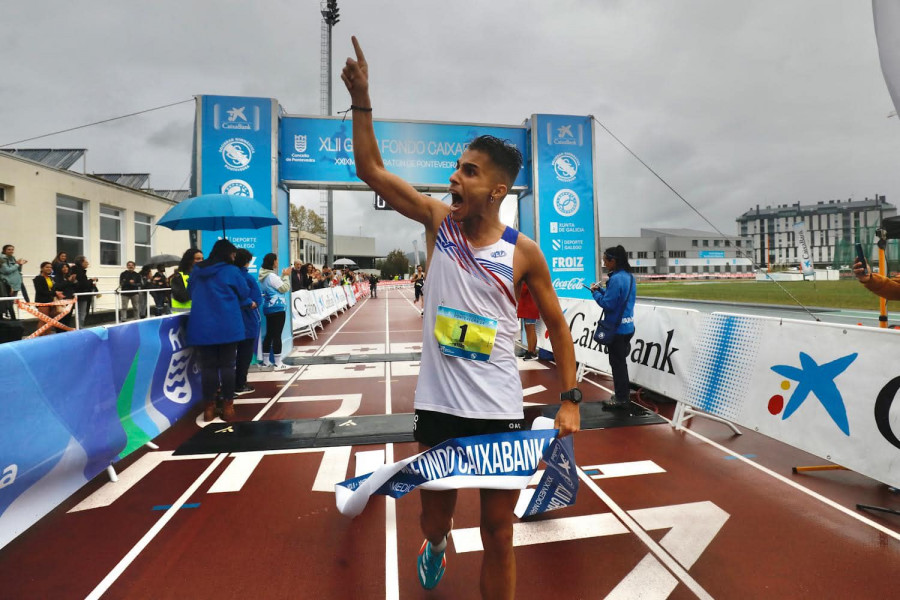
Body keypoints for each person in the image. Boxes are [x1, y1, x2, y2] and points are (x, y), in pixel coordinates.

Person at [342, 37, 580, 599]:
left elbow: (559, 326)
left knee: (499, 533)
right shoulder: (437, 223)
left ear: (498, 189)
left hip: (498, 408)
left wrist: (569, 400)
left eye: (468, 172)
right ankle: (435, 545)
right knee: (435, 520)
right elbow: (370, 169)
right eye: (455, 167)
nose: (455, 178)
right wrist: (361, 99)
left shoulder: (524, 252)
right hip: (439, 407)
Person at [187, 239, 256, 422]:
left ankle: (209, 409)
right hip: (228, 324)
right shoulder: (232, 271)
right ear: (227, 254)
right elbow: (243, 293)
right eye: (233, 254)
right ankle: (228, 407)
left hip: (202, 325)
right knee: (227, 366)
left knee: (208, 368)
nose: (234, 257)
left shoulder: (198, 270)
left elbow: (190, 292)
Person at [589, 245, 636, 410]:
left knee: (618, 365)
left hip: (616, 330)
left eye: (605, 261)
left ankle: (622, 398)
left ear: (613, 261)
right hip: (628, 327)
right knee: (621, 363)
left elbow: (608, 304)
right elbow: (619, 300)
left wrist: (595, 293)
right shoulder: (629, 277)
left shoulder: (615, 279)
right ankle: (623, 395)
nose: (604, 263)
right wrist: (602, 290)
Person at [234, 248, 262, 396]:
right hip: (247, 321)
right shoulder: (247, 278)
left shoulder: (227, 276)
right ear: (247, 261)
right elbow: (257, 299)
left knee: (228, 356)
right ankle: (240, 383)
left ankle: (230, 384)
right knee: (244, 354)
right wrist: (250, 303)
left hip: (230, 321)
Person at [258, 253, 292, 370]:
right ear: (273, 262)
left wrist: (282, 276)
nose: (278, 262)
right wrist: (286, 276)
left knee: (269, 334)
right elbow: (284, 288)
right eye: (277, 260)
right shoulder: (272, 276)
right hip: (278, 308)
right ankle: (278, 363)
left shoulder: (263, 276)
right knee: (277, 335)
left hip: (268, 307)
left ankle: (266, 361)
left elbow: (276, 286)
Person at [32, 262, 63, 335]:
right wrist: (55, 293)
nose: (49, 269)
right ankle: (40, 336)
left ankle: (47, 335)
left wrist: (56, 293)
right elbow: (40, 291)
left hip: (51, 301)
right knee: (43, 320)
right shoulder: (38, 278)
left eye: (50, 267)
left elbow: (52, 289)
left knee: (49, 320)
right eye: (47, 267)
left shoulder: (50, 278)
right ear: (42, 268)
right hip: (42, 301)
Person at [170, 248, 203, 313]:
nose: (201, 261)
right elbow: (182, 298)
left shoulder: (200, 276)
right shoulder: (178, 277)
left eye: (202, 259)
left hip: (198, 316)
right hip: (182, 318)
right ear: (189, 260)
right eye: (198, 259)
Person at [0, 244, 26, 320]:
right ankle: (11, 319)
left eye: (12, 249)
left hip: (15, 284)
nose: (11, 251)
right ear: (4, 250)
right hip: (8, 284)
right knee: (7, 303)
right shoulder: (2, 258)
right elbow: (6, 270)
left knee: (10, 303)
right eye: (9, 249)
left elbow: (17, 270)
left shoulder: (12, 258)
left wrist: (20, 264)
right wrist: (17, 264)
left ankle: (11, 319)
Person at [71, 256, 98, 328]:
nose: (88, 263)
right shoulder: (79, 271)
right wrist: (91, 280)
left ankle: (79, 326)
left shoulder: (76, 270)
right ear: (81, 263)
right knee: (82, 312)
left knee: (80, 312)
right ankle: (80, 327)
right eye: (86, 262)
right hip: (81, 295)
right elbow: (83, 284)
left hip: (79, 294)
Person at [517, 282, 540, 360]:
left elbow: (522, 290)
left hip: (530, 307)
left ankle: (532, 352)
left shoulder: (528, 280)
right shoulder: (526, 280)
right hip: (527, 307)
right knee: (528, 329)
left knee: (530, 329)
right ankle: (530, 350)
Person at [53, 262, 77, 328]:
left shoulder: (68, 277)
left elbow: (73, 287)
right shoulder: (56, 278)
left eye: (66, 266)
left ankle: (66, 331)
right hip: (62, 300)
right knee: (61, 318)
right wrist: (68, 281)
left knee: (68, 318)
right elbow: (58, 287)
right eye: (63, 267)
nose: (65, 268)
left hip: (70, 300)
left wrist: (74, 281)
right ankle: (60, 332)